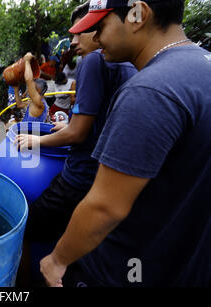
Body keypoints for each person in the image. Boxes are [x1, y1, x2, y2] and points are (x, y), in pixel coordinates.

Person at [40, 0, 211, 287]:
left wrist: (57, 260)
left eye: (101, 27)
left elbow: (106, 207)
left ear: (138, 15)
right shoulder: (202, 65)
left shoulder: (149, 90)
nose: (95, 38)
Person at [14, 0, 138, 286]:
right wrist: (70, 123)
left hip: (79, 177)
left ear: (100, 29)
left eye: (79, 33)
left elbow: (79, 134)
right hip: (107, 182)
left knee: (23, 229)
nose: (73, 41)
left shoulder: (93, 61)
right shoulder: (130, 64)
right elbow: (101, 119)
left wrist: (38, 139)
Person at [13, 52, 50, 123]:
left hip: (30, 132)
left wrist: (27, 61)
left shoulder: (39, 103)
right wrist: (16, 87)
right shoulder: (34, 101)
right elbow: (19, 104)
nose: (29, 88)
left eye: (32, 86)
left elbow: (28, 80)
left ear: (38, 91)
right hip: (25, 130)